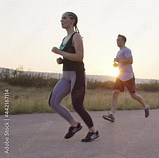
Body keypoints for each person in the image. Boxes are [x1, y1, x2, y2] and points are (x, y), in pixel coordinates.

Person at [49, 12, 99, 142]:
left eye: (64, 18)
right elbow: (69, 56)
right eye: (61, 18)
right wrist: (62, 60)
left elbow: (79, 57)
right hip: (66, 75)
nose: (61, 20)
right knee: (53, 102)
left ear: (73, 21)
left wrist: (59, 52)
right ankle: (74, 124)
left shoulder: (76, 36)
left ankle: (93, 131)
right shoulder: (64, 39)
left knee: (77, 105)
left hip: (77, 74)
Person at [103, 34, 150, 122]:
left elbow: (130, 61)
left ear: (123, 41)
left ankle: (145, 106)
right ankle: (112, 114)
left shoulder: (127, 50)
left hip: (128, 76)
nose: (117, 41)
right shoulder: (119, 52)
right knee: (115, 93)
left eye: (119, 40)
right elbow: (122, 63)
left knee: (133, 95)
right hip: (120, 76)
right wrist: (116, 64)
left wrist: (119, 60)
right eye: (117, 40)